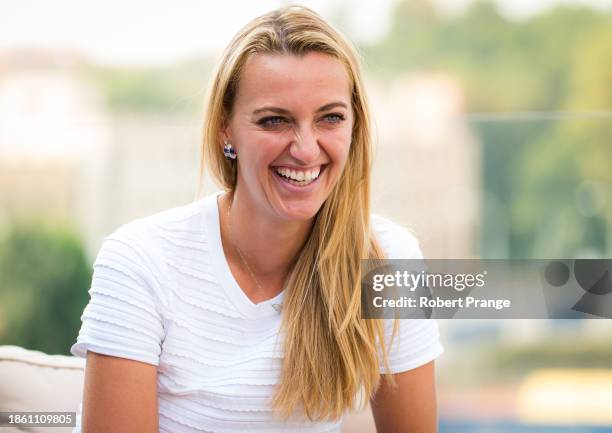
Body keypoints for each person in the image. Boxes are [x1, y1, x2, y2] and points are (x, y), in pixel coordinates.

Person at [70, 5, 444, 433]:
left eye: (330, 117)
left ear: (355, 125)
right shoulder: (140, 261)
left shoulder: (388, 259)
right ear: (225, 130)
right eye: (274, 120)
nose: (305, 149)